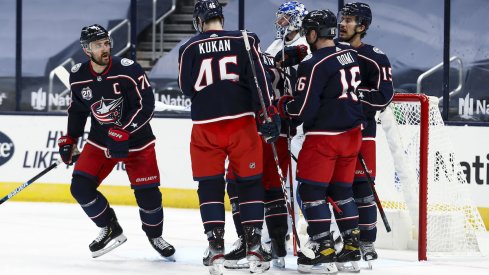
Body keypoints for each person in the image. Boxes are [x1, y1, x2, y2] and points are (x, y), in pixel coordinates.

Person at [178, 0, 280, 274]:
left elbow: (186, 88)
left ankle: (215, 247)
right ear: (221, 18)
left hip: (205, 126)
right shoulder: (244, 39)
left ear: (199, 21)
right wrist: (268, 115)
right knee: (249, 183)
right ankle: (255, 246)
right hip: (241, 123)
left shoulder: (188, 47)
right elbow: (260, 80)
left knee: (209, 186)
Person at [57, 24, 175, 259]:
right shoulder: (78, 75)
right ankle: (110, 227)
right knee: (80, 187)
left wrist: (124, 130)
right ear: (86, 49)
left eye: (106, 43)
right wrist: (71, 138)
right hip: (100, 142)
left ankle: (155, 236)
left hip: (138, 142)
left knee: (148, 196)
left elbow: (146, 106)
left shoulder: (128, 70)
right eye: (98, 45)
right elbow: (78, 110)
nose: (104, 49)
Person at [276, 9, 365, 274]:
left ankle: (322, 247)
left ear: (314, 33)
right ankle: (351, 247)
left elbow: (302, 109)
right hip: (353, 135)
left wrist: (283, 107)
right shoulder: (349, 54)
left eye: (308, 32)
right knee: (342, 191)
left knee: (312, 192)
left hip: (325, 138)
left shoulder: (313, 64)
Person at [223, 1, 309, 270]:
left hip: (289, 129)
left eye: (285, 18)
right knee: (245, 182)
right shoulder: (273, 46)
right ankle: (254, 241)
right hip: (263, 125)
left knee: (283, 187)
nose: (280, 22)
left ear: (298, 20)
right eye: (280, 17)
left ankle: (289, 241)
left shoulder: (307, 49)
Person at [337, 2, 394, 267]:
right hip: (334, 133)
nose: (342, 23)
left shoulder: (375, 57)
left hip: (363, 133)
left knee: (362, 189)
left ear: (362, 27)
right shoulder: (331, 52)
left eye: (349, 20)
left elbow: (384, 96)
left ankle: (367, 241)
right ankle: (348, 238)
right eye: (342, 18)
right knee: (338, 189)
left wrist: (354, 96)